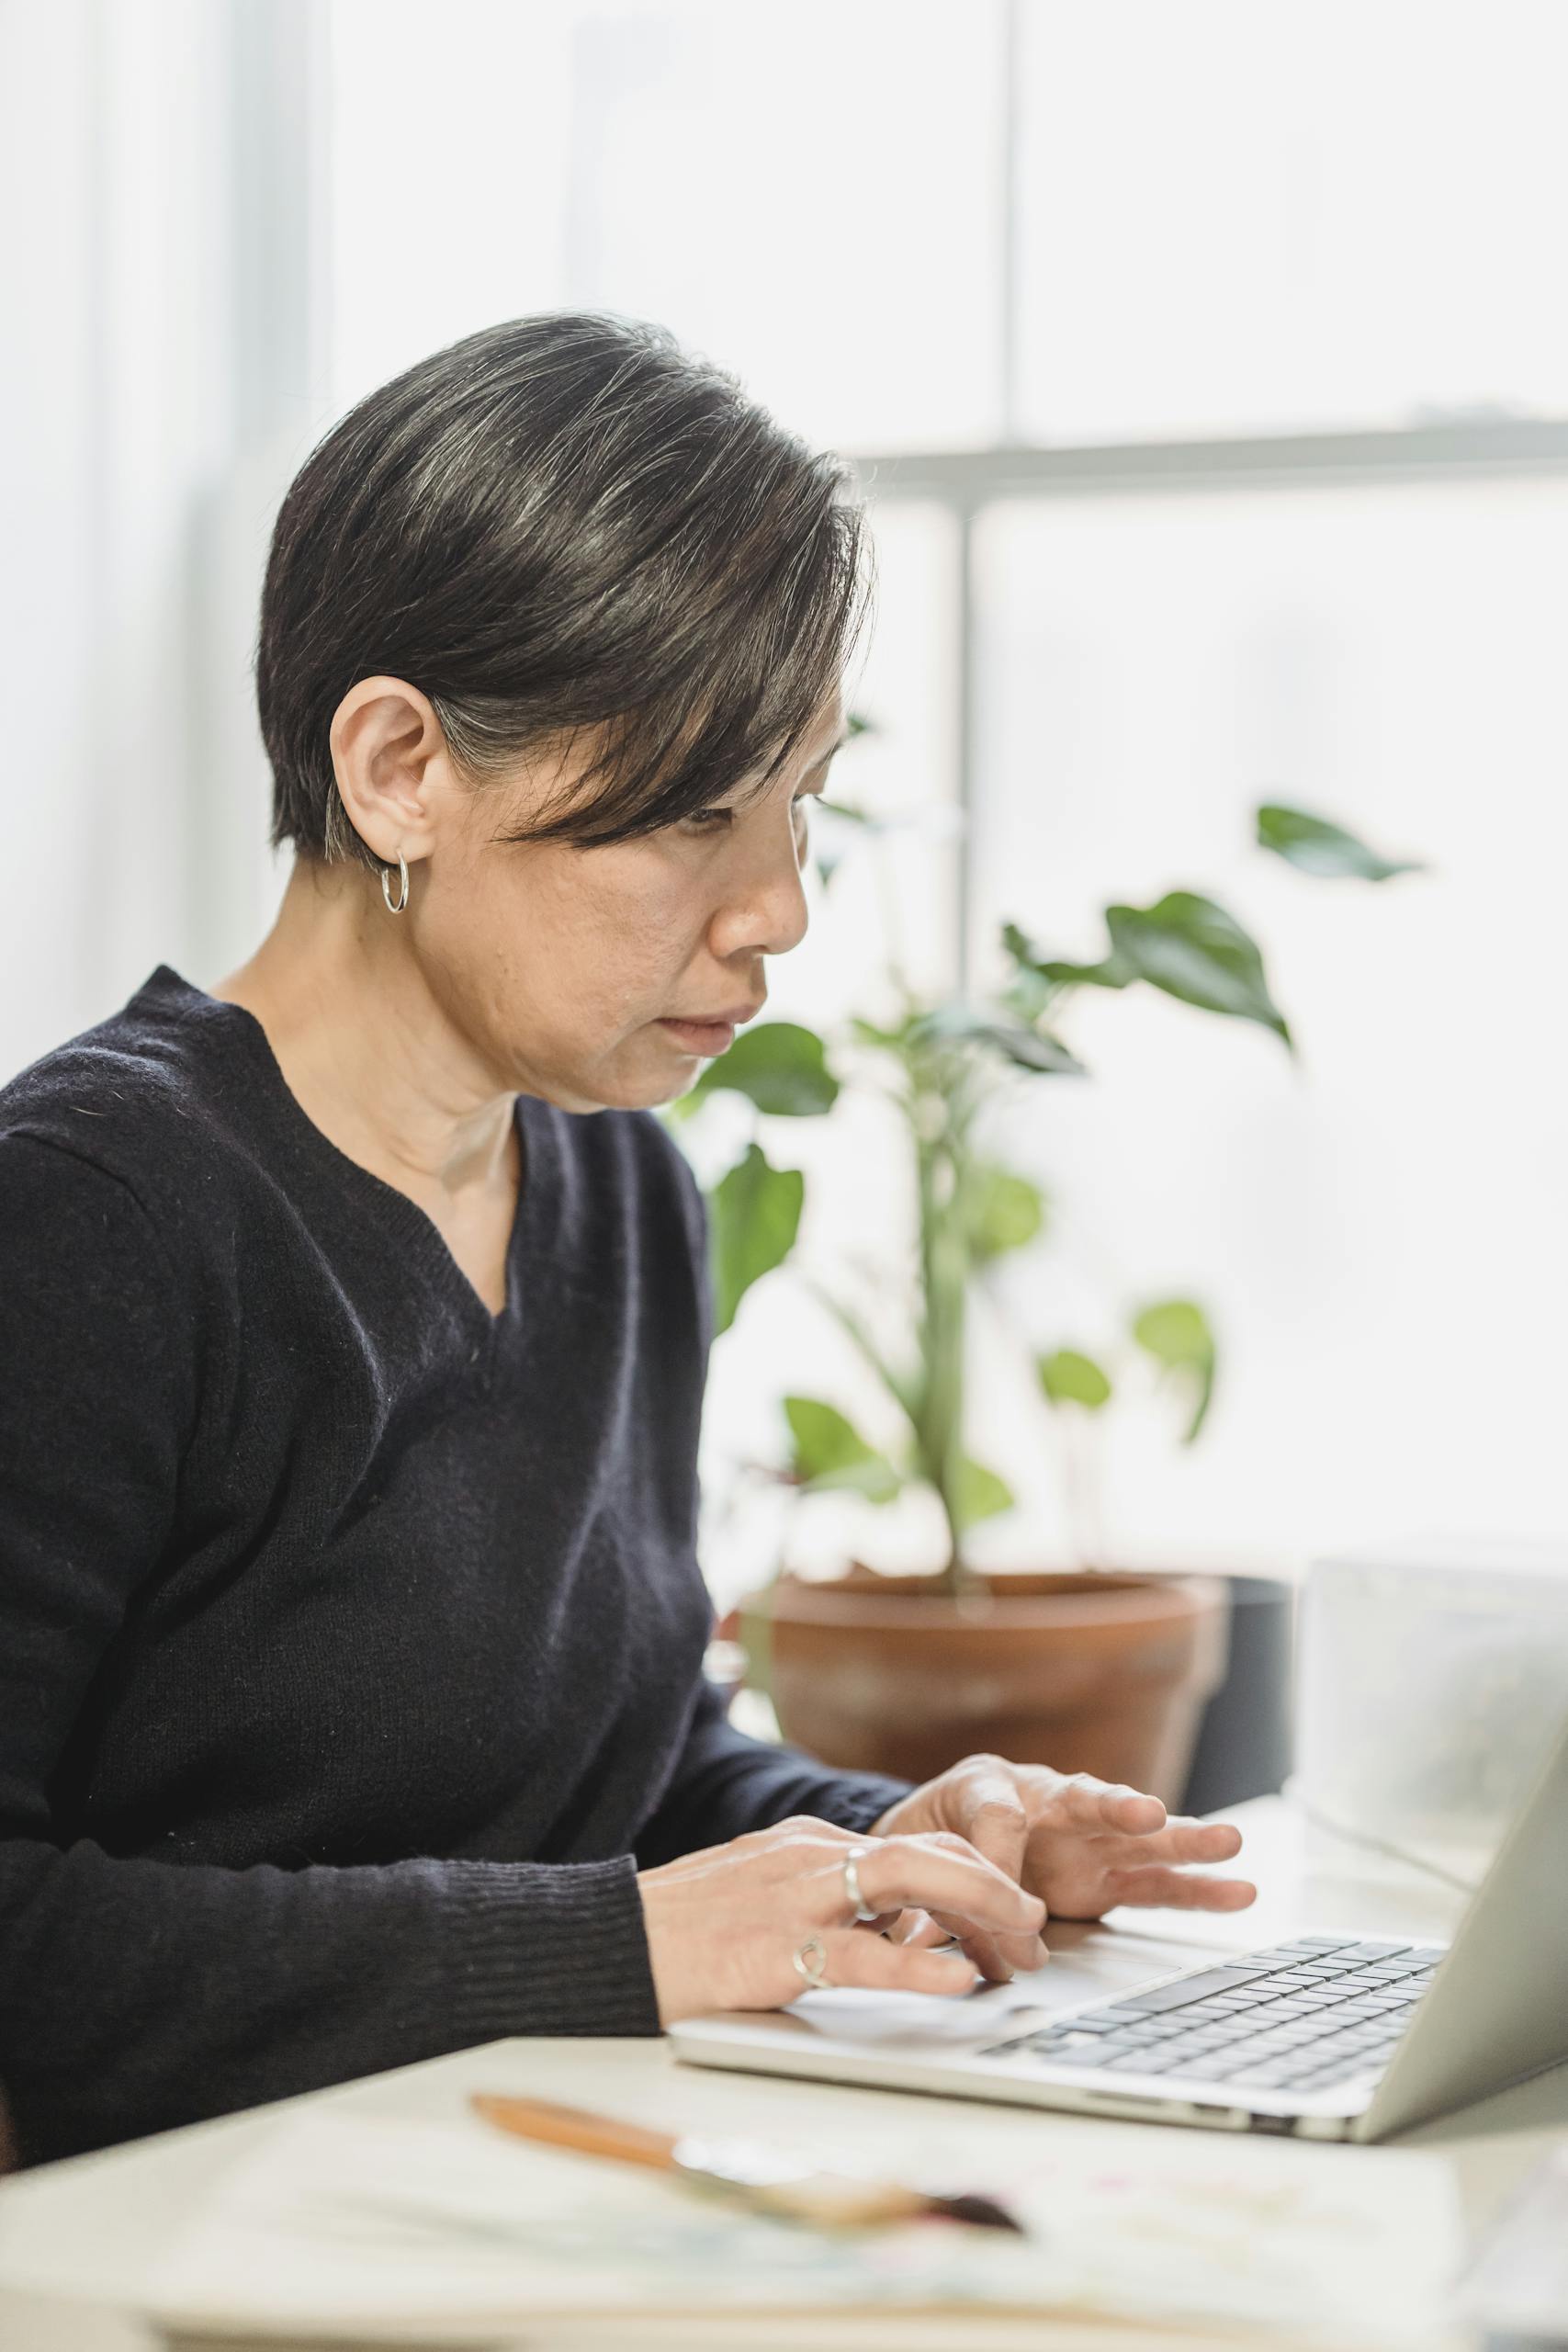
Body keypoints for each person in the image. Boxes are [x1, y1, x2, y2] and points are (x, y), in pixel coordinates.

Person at [0, 314, 1255, 2166]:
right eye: (689, 813)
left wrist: (903, 1825)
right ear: (400, 765)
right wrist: (618, 1944)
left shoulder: (617, 1190)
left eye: (800, 801)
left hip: (513, 2175)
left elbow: (624, 1777)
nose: (781, 911)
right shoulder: (90, 1210)